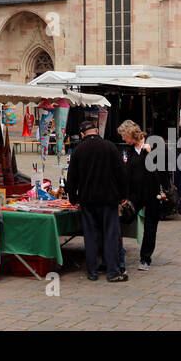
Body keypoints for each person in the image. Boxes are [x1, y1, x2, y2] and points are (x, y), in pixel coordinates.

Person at [64, 115, 127, 282]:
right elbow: (121, 173)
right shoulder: (110, 147)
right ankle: (113, 272)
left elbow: (71, 178)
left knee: (91, 236)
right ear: (97, 131)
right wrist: (123, 195)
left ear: (83, 134)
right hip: (108, 199)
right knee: (110, 235)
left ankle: (92, 271)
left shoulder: (79, 150)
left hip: (88, 200)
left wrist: (73, 198)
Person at [119, 120, 165, 272]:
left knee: (150, 227)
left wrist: (152, 153)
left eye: (124, 136)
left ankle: (145, 258)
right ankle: (117, 252)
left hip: (153, 194)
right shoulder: (131, 150)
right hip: (135, 194)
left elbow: (164, 167)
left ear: (131, 134)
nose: (123, 139)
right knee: (122, 218)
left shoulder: (153, 143)